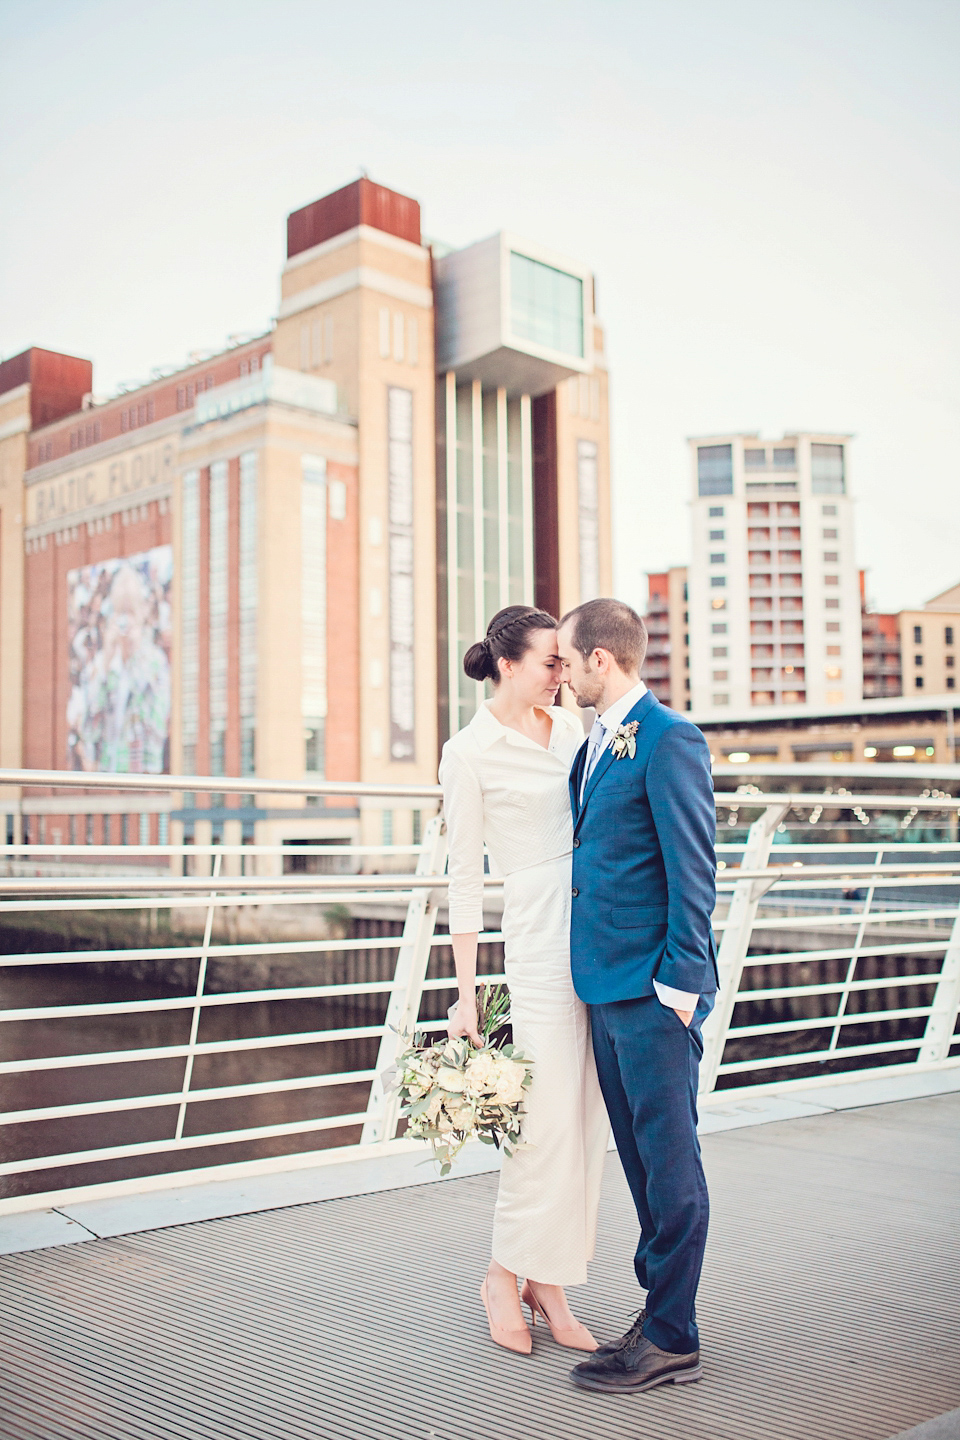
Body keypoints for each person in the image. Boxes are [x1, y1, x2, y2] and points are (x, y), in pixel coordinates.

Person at [556, 597, 718, 1395]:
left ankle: (674, 1336)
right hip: (605, 988)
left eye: (567, 659)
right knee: (641, 1162)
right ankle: (657, 1317)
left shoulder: (668, 739)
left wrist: (680, 989)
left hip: (653, 994)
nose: (563, 674)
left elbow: (696, 873)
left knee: (669, 1163)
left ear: (600, 660)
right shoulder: (594, 747)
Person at [441, 605, 610, 1357]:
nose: (563, 674)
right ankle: (503, 1277)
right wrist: (467, 994)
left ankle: (548, 1279)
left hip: (594, 931)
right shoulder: (467, 752)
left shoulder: (573, 731)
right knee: (542, 1121)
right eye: (551, 662)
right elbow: (465, 882)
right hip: (537, 939)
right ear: (509, 663)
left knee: (584, 1118)